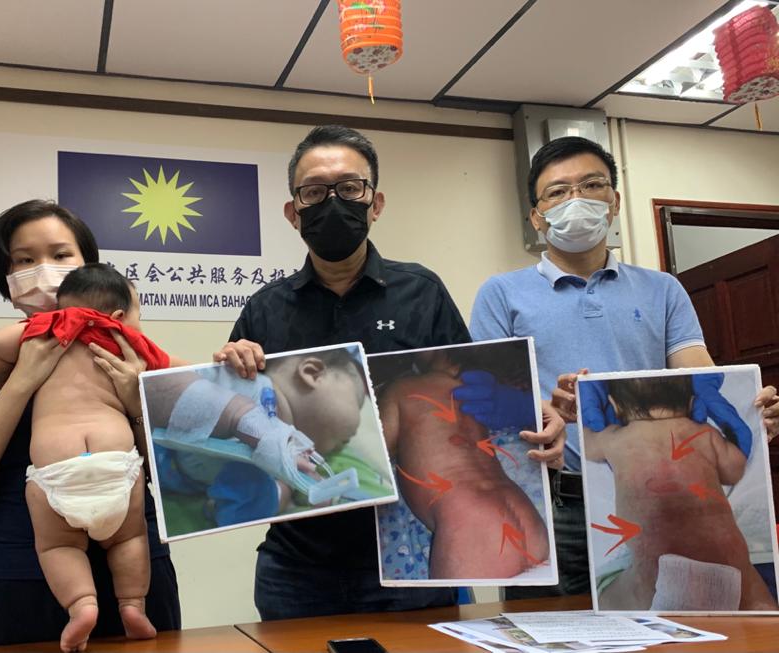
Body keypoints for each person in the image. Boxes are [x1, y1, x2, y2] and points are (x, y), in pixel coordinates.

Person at [213, 125, 565, 619]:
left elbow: (474, 390)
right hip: (298, 561)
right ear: (294, 212)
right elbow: (239, 424)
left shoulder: (421, 292)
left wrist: (535, 415)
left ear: (375, 203)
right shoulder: (264, 309)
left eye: (349, 188)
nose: (332, 202)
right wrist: (231, 368)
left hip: (408, 565)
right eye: (314, 192)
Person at [469, 135, 779, 600]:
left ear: (614, 201)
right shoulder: (501, 294)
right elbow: (487, 395)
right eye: (557, 192)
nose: (575, 200)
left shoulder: (663, 289)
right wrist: (543, 408)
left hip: (667, 505)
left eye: (591, 185)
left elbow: (699, 376)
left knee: (670, 623)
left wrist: (750, 410)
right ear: (537, 216)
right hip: (550, 502)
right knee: (545, 628)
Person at [0, 199, 181, 649]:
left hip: (137, 566)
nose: (43, 269)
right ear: (4, 276)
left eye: (60, 255)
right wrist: (21, 381)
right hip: (13, 577)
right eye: (24, 260)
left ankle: (126, 603)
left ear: (89, 266)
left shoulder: (126, 352)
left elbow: (181, 473)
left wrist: (136, 401)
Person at [0, 263, 162, 650]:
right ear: (119, 315)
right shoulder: (127, 342)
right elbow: (176, 375)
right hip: (116, 464)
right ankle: (133, 604)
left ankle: (81, 605)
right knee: (130, 537)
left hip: (56, 470)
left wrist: (1, 377)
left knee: (58, 547)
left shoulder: (47, 331)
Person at [584, 375, 776, 611]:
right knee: (753, 593)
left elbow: (588, 446)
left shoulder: (613, 437)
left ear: (614, 405)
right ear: (693, 402)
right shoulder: (705, 433)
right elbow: (733, 472)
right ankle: (761, 609)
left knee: (617, 598)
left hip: (656, 567)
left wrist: (582, 408)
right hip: (728, 560)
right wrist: (732, 435)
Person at [144, 345, 377, 533]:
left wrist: (288, 488)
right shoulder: (245, 381)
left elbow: (234, 515)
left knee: (262, 492)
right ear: (313, 373)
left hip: (170, 482)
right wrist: (243, 419)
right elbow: (156, 385)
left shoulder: (286, 462)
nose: (348, 441)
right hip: (145, 434)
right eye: (358, 400)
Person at [378, 349, 549, 580]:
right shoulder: (484, 393)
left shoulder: (403, 388)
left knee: (454, 604)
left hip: (470, 518)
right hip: (523, 511)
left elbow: (375, 454)